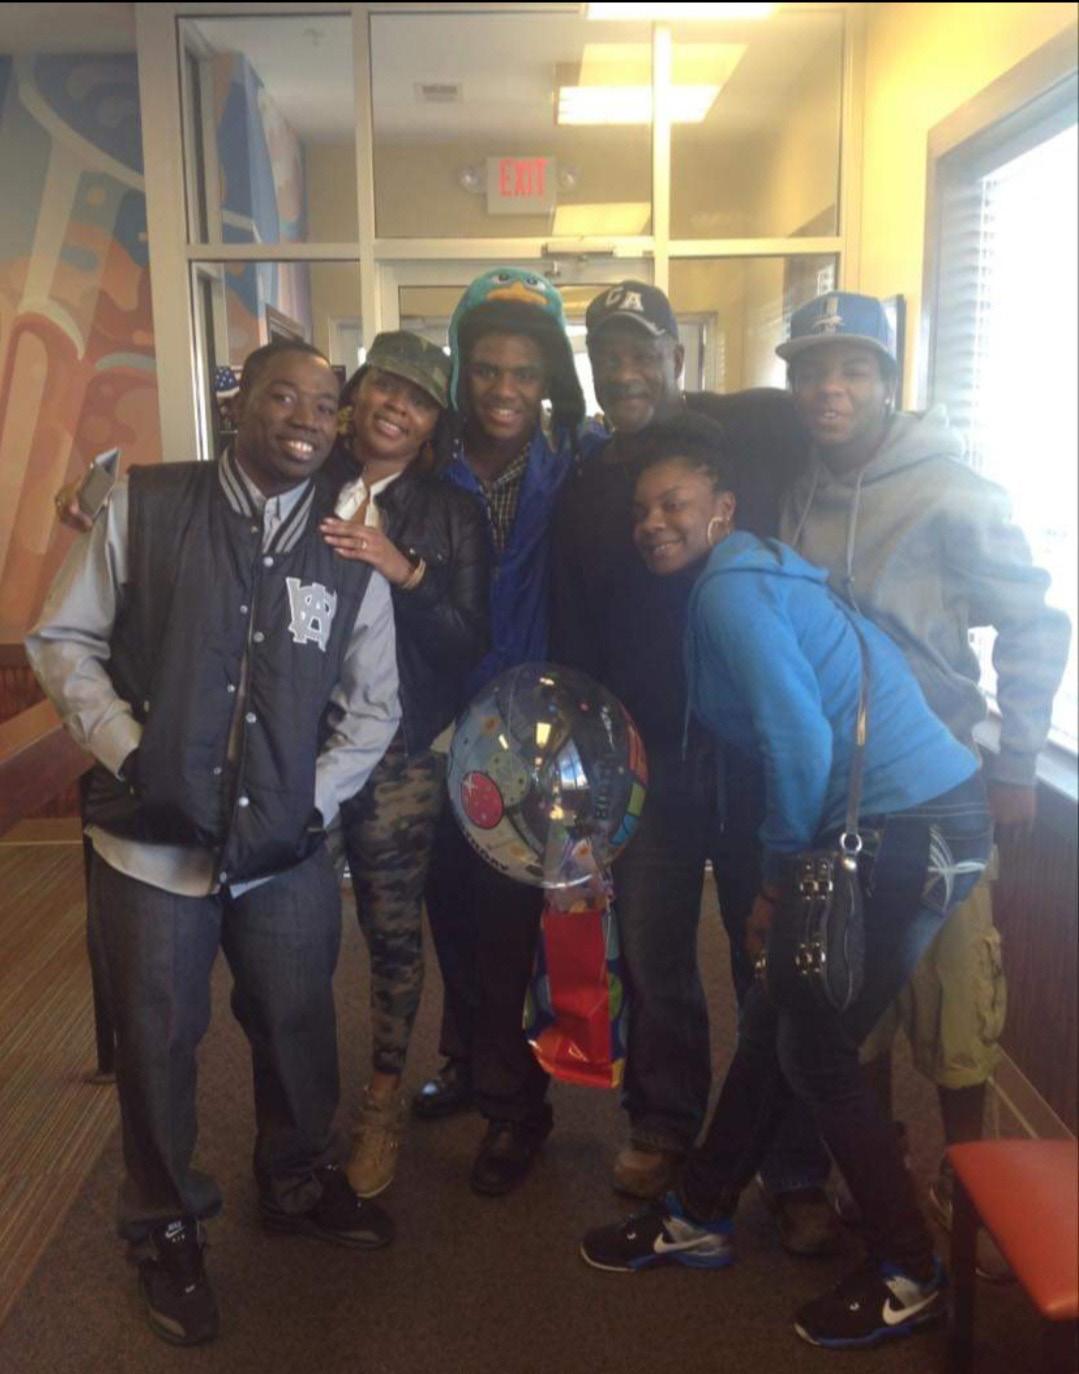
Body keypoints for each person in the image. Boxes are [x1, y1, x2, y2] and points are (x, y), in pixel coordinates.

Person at [580, 412, 992, 1352]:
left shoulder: (730, 593)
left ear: (722, 508)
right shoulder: (753, 573)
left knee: (814, 1047)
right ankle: (699, 1212)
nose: (651, 522)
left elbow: (800, 741)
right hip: (902, 819)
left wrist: (774, 882)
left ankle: (910, 1270)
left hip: (912, 828)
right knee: (775, 1021)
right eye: (640, 510)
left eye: (673, 503)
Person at [27, 341, 401, 1347]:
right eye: (284, 395)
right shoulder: (144, 507)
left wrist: (304, 805)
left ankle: (296, 1180)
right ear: (238, 404)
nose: (305, 417)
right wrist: (132, 753)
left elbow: (373, 707)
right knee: (156, 1039)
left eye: (323, 404)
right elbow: (62, 639)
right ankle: (165, 1225)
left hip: (286, 854)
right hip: (149, 850)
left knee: (296, 1020)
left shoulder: (350, 546)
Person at [549, 281, 837, 1256]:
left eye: (644, 351)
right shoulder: (586, 486)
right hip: (648, 764)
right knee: (654, 957)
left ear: (677, 357)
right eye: (608, 354)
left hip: (753, 755)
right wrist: (586, 773)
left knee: (774, 963)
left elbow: (848, 415)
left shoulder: (749, 434)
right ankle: (664, 1123)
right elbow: (573, 635)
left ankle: (793, 1165)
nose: (626, 370)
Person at [777, 292, 1071, 1234]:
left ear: (886, 381)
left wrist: (1015, 762)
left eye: (852, 369)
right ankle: (881, 1172)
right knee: (849, 996)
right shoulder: (794, 490)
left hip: (939, 788)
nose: (829, 388)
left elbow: (1034, 625)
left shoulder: (951, 489)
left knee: (954, 1007)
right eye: (811, 370)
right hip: (838, 795)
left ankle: (966, 1187)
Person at [415, 268, 586, 1196]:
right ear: (460, 372)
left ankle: (517, 1107)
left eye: (523, 371)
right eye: (485, 368)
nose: (503, 389)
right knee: (448, 908)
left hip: (533, 736)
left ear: (549, 376)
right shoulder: (421, 466)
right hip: (434, 726)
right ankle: (470, 1056)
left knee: (510, 926)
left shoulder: (581, 465)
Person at [314, 331, 489, 1199]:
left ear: (431, 425)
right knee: (293, 935)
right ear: (357, 393)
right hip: (298, 751)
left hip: (401, 754)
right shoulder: (301, 479)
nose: (397, 408)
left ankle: (382, 1100)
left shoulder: (453, 512)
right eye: (387, 387)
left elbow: (467, 641)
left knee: (390, 933)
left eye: (418, 400)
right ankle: (299, 1102)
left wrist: (405, 571)